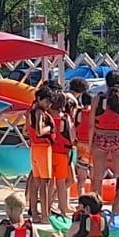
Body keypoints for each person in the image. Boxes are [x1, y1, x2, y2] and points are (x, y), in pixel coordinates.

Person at [90, 74, 119, 193]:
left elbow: (91, 124)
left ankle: (96, 203)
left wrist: (90, 143)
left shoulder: (98, 99)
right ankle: (118, 206)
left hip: (100, 136)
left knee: (97, 176)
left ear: (106, 83)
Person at [25, 86, 55, 220]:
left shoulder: (30, 111)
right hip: (43, 148)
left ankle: (35, 213)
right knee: (44, 183)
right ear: (39, 99)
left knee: (35, 182)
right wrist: (50, 128)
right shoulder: (40, 113)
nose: (49, 105)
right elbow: (39, 131)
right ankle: (45, 215)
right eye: (47, 101)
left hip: (34, 148)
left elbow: (27, 131)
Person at [46, 91, 75, 218]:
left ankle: (46, 210)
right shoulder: (65, 118)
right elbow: (72, 136)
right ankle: (62, 211)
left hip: (48, 152)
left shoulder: (46, 116)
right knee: (61, 184)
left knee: (49, 184)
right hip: (62, 154)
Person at [68, 77, 94, 192]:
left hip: (81, 145)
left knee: (81, 178)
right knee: (94, 177)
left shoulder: (78, 111)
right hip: (93, 144)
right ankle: (95, 197)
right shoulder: (94, 113)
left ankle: (81, 199)